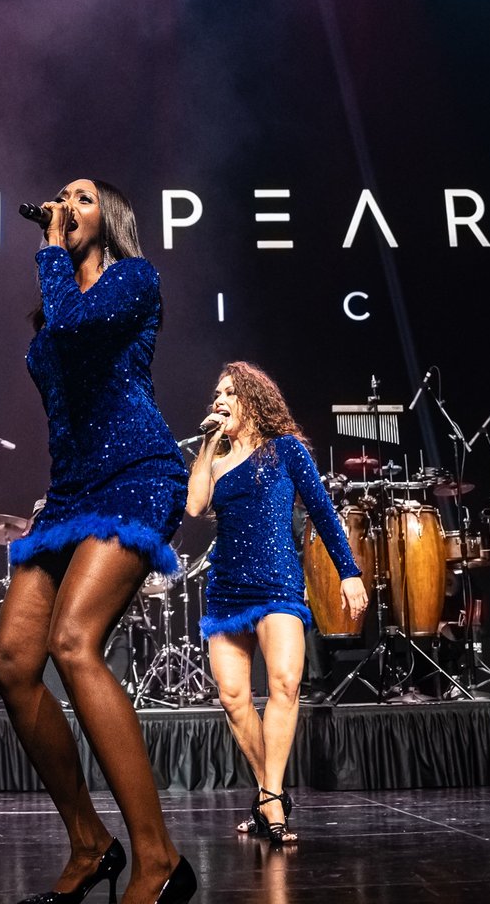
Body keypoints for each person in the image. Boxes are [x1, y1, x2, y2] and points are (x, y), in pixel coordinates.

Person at [0, 179, 195, 904]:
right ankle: (89, 843)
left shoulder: (134, 280)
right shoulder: (56, 307)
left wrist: (50, 252)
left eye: (80, 198)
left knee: (73, 642)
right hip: (70, 491)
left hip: (136, 472)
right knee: (13, 663)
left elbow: (78, 330)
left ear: (109, 218)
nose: (63, 206)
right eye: (59, 198)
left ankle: (159, 859)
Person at [187, 361, 366, 846]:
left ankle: (269, 798)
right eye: (216, 393)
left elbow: (322, 510)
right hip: (227, 586)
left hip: (278, 583)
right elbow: (195, 505)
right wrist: (209, 443)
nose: (219, 399)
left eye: (230, 392)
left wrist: (348, 571)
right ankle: (272, 794)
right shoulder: (218, 460)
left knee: (285, 684)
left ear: (253, 399)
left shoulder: (286, 449)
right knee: (233, 697)